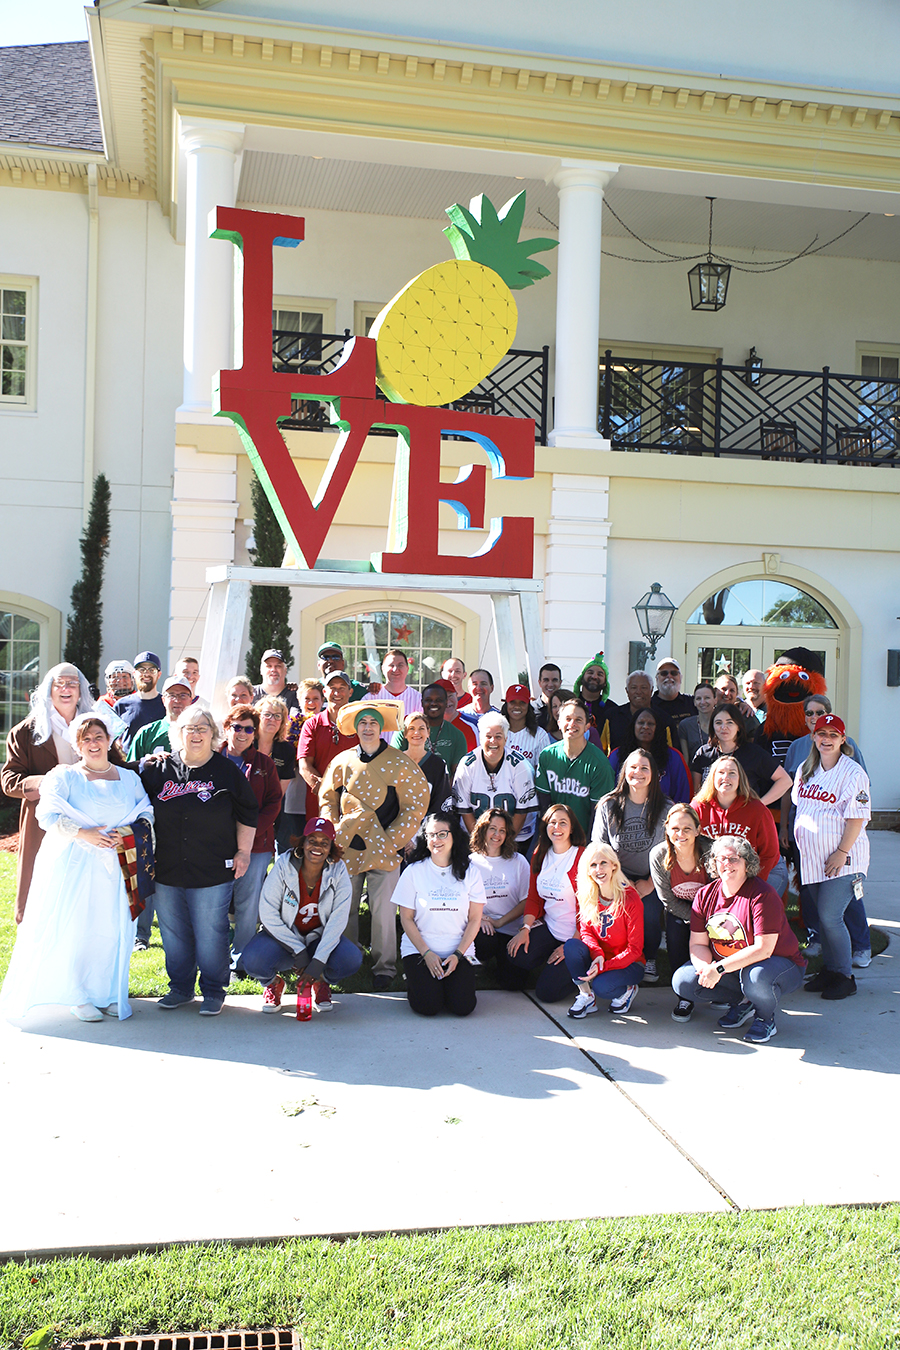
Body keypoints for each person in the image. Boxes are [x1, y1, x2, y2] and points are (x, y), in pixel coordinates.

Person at [0, 708, 153, 1023]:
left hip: (119, 865)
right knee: (80, 928)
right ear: (77, 744)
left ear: (109, 739)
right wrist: (84, 833)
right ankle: (79, 994)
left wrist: (125, 835)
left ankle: (108, 993)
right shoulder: (64, 776)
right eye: (86, 738)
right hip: (78, 865)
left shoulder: (129, 778)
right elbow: (47, 815)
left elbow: (147, 813)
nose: (93, 743)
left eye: (99, 736)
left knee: (113, 928)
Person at [139, 707, 259, 1015]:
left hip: (212, 869)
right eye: (189, 728)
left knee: (211, 933)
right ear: (178, 734)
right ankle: (180, 988)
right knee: (173, 933)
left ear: (213, 733)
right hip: (167, 870)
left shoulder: (226, 771)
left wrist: (243, 851)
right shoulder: (157, 770)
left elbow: (248, 812)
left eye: (202, 728)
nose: (195, 734)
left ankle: (213, 990)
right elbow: (116, 775)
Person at [318, 702, 429, 990]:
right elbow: (327, 799)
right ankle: (348, 960)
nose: (368, 727)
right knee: (345, 907)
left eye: (373, 722)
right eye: (363, 722)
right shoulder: (341, 762)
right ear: (356, 727)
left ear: (382, 728)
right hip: (347, 847)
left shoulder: (401, 763)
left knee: (383, 910)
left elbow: (415, 806)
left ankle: (385, 967)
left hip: (384, 849)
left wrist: (392, 840)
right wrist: (335, 834)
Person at [671, 836, 806, 1044]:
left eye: (734, 859)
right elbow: (697, 944)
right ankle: (744, 1001)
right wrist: (705, 969)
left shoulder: (762, 895)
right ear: (713, 863)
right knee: (684, 980)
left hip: (778, 964)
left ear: (747, 863)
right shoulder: (705, 895)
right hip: (732, 967)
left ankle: (765, 1018)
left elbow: (764, 950)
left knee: (756, 978)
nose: (727, 864)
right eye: (721, 859)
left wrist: (719, 970)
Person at [2, 661, 94, 923]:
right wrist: (45, 782)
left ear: (81, 691)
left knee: (82, 888)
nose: (66, 688)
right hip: (42, 821)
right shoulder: (25, 731)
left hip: (88, 817)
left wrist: (150, 764)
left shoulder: (95, 727)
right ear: (48, 690)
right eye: (59, 683)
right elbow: (9, 780)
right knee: (37, 887)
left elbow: (118, 766)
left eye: (72, 684)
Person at [242, 817, 362, 1014]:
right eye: (312, 840)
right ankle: (273, 984)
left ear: (331, 848)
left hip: (318, 938)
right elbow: (267, 912)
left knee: (351, 959)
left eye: (325, 843)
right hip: (283, 939)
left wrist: (317, 963)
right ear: (302, 842)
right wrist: (298, 951)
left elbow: (339, 918)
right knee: (253, 960)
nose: (317, 847)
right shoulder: (283, 865)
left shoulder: (339, 870)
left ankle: (322, 982)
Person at [782, 694, 869, 964]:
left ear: (843, 740)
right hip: (812, 858)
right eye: (821, 733)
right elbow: (799, 806)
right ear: (814, 737)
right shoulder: (805, 769)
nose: (826, 738)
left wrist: (841, 852)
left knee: (832, 917)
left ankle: (844, 975)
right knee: (822, 917)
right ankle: (831, 972)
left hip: (841, 858)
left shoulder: (853, 772)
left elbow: (857, 817)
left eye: (833, 734)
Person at [395, 811, 486, 1017]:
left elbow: (474, 919)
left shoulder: (471, 871)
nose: (435, 840)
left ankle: (449, 980)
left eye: (442, 834)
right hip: (420, 950)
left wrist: (458, 954)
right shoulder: (413, 871)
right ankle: (414, 979)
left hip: (460, 951)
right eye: (430, 835)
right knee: (428, 1006)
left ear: (454, 835)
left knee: (463, 1007)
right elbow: (406, 919)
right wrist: (426, 953)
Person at [592, 749, 672, 984]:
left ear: (654, 774)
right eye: (633, 767)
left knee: (647, 914)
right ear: (624, 772)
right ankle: (615, 957)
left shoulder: (666, 808)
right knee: (617, 914)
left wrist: (649, 883)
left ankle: (648, 958)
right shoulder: (608, 805)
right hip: (614, 876)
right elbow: (599, 848)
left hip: (653, 877)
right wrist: (621, 882)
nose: (638, 772)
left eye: (644, 768)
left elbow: (673, 850)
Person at [221, 704, 283, 978]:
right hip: (215, 845)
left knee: (247, 904)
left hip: (256, 846)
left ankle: (240, 960)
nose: (243, 733)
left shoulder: (263, 764)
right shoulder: (212, 758)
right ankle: (214, 958)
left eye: (248, 728)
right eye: (237, 727)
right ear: (227, 728)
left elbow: (273, 803)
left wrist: (250, 831)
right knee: (215, 902)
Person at [506, 804, 587, 1002]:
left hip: (579, 936)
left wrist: (572, 944)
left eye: (563, 823)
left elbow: (590, 908)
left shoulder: (582, 857)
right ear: (545, 827)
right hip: (551, 928)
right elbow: (534, 897)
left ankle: (584, 970)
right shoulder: (540, 854)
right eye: (552, 822)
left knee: (546, 993)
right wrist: (525, 928)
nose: (557, 827)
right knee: (516, 954)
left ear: (572, 828)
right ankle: (552, 963)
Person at [563, 843, 645, 1019]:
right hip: (602, 958)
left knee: (603, 987)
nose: (598, 869)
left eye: (603, 863)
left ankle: (628, 990)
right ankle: (586, 996)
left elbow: (635, 949)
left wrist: (603, 967)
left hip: (630, 963)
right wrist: (597, 954)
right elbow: (585, 932)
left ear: (614, 865)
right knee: (571, 947)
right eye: (593, 865)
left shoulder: (630, 898)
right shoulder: (588, 894)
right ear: (588, 870)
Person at [650, 805, 713, 1023]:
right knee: (676, 934)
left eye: (687, 828)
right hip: (680, 909)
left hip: (712, 912)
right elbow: (667, 899)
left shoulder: (710, 852)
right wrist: (694, 921)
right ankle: (684, 996)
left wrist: (705, 922)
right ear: (666, 829)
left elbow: (722, 893)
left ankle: (723, 988)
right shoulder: (659, 855)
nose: (681, 834)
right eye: (675, 828)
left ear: (698, 830)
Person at [451, 711, 537, 849]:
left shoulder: (520, 766)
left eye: (498, 736)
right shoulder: (467, 765)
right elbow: (465, 811)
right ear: (480, 738)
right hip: (474, 837)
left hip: (515, 837)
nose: (493, 741)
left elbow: (521, 812)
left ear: (506, 739)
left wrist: (503, 843)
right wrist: (480, 843)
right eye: (488, 736)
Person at [691, 756, 782, 884]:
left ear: (740, 779)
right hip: (714, 876)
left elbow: (769, 854)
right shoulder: (697, 808)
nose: (726, 777)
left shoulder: (757, 810)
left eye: (732, 773)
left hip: (759, 872)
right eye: (721, 772)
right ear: (712, 777)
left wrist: (752, 885)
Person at [468, 808, 531, 988]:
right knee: (485, 940)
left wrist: (500, 922)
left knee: (514, 984)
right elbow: (463, 901)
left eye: (502, 830)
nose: (497, 834)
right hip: (484, 928)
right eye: (492, 828)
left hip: (511, 929)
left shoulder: (518, 861)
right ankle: (481, 960)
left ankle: (502, 964)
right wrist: (479, 919)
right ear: (483, 830)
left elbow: (527, 901)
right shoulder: (471, 863)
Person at [535, 698, 613, 837]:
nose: (572, 724)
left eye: (578, 720)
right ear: (559, 723)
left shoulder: (599, 763)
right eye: (568, 718)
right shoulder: (547, 755)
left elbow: (598, 814)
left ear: (587, 726)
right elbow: (544, 803)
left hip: (584, 834)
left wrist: (587, 845)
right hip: (554, 833)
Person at [690, 703, 791, 804]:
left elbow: (785, 780)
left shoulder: (753, 753)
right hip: (712, 816)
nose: (723, 727)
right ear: (713, 726)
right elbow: (697, 793)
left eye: (730, 722)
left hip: (745, 816)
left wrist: (760, 805)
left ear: (738, 726)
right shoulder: (703, 753)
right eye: (718, 722)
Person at [297, 671, 358, 824]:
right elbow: (304, 765)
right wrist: (328, 792)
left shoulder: (360, 724)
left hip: (354, 807)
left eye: (342, 687)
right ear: (325, 692)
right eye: (332, 687)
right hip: (319, 807)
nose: (337, 693)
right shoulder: (312, 725)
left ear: (350, 692)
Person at [607, 707, 691, 804]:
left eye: (651, 724)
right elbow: (608, 790)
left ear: (658, 728)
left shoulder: (673, 757)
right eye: (641, 723)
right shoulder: (617, 755)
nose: (645, 727)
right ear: (633, 726)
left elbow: (682, 794)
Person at [393, 681, 467, 776]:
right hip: (409, 786)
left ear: (446, 703)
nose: (433, 704)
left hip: (441, 787)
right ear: (422, 703)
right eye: (428, 700)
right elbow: (394, 765)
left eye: (439, 700)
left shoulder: (457, 735)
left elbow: (457, 774)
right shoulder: (406, 729)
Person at [255, 694, 297, 854]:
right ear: (258, 717)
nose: (272, 719)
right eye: (267, 714)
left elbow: (280, 790)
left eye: (277, 716)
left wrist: (267, 811)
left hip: (272, 806)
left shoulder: (286, 749)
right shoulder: (247, 742)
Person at [396, 709, 452, 818]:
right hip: (399, 827)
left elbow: (441, 801)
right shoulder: (396, 762)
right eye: (411, 728)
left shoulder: (438, 765)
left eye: (421, 728)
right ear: (405, 734)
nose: (416, 733)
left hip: (427, 828)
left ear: (428, 733)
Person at [128, 674, 194, 760]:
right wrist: (145, 762)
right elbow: (130, 769)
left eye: (183, 695)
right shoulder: (146, 733)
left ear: (191, 700)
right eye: (172, 695)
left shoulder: (201, 733)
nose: (177, 700)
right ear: (163, 700)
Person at [112, 651, 165, 750]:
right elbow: (111, 738)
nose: (146, 674)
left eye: (152, 670)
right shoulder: (121, 705)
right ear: (134, 674)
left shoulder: (166, 705)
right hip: (128, 764)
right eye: (142, 670)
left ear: (159, 674)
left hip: (159, 763)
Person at [598, 670, 656, 752]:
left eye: (643, 687)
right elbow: (600, 750)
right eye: (633, 688)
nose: (638, 692)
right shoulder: (611, 716)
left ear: (651, 690)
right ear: (627, 691)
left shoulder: (663, 719)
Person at [364, 648, 422, 717]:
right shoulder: (370, 698)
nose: (395, 669)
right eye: (391, 665)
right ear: (383, 669)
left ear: (407, 668)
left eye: (400, 665)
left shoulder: (418, 698)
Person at [572, 654, 616, 731]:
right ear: (581, 678)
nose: (594, 676)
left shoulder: (613, 710)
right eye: (590, 672)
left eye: (600, 674)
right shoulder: (569, 705)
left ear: (605, 683)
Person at [651, 658, 695, 731]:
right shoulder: (649, 706)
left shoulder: (692, 703)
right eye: (664, 673)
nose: (669, 676)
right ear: (657, 679)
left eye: (674, 673)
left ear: (680, 678)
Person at [678, 682, 716, 767]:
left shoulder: (723, 723)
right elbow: (686, 760)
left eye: (707, 698)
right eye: (698, 698)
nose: (703, 702)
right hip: (695, 775)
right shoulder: (685, 725)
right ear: (694, 702)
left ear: (715, 700)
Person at [713, 672, 759, 740]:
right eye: (724, 689)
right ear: (715, 691)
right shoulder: (707, 711)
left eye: (732, 690)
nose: (727, 693)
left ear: (736, 694)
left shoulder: (745, 715)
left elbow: (756, 741)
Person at [439, 678, 476, 750]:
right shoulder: (425, 727)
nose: (447, 701)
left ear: (456, 695)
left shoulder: (471, 726)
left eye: (450, 696)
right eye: (441, 698)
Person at [533, 662, 562, 730]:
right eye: (546, 680)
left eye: (554, 680)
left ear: (560, 683)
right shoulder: (531, 710)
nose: (550, 684)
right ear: (540, 683)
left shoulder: (567, 708)